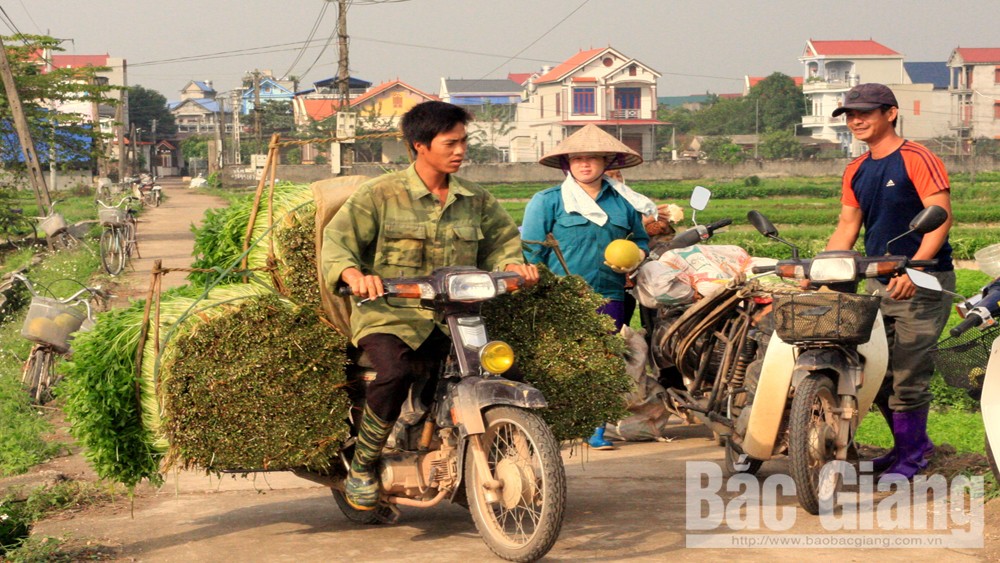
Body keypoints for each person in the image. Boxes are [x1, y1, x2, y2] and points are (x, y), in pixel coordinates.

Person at [321, 101, 539, 510]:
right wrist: (355, 276)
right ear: (419, 145)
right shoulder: (380, 195)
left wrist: (514, 267)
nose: (460, 151)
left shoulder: (477, 200)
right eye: (450, 143)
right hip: (390, 314)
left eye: (464, 142)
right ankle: (364, 466)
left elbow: (503, 244)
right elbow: (338, 243)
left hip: (455, 317)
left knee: (505, 370)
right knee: (395, 371)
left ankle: (490, 458)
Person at [824, 83, 955, 481]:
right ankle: (909, 447)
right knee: (875, 372)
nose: (856, 121)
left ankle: (912, 459)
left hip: (922, 281)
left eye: (865, 112)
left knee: (909, 374)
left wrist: (915, 269)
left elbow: (941, 216)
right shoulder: (856, 169)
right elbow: (847, 227)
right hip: (878, 281)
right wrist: (823, 273)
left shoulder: (917, 158)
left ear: (891, 113)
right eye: (849, 115)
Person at [521, 124, 651, 450]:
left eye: (592, 158)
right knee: (562, 360)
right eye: (577, 159)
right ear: (567, 164)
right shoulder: (548, 202)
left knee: (605, 358)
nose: (584, 164)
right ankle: (553, 424)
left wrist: (637, 257)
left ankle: (595, 429)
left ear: (606, 162)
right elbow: (530, 251)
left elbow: (641, 239)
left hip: (609, 292)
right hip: (562, 296)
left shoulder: (622, 203)